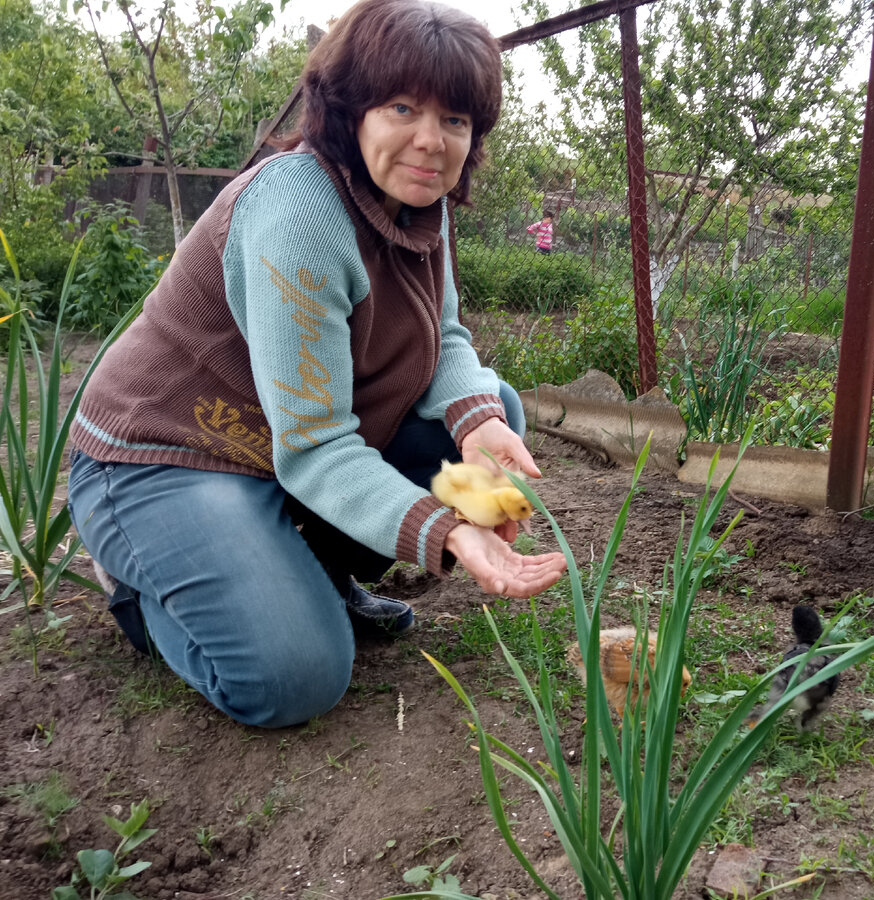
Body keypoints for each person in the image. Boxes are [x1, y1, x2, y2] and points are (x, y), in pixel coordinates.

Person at [66, 0, 567, 729]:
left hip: (272, 452)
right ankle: (143, 589)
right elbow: (318, 445)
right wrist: (446, 529)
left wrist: (478, 419)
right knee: (294, 678)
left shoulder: (417, 202)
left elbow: (446, 336)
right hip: (164, 458)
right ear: (351, 109)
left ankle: (316, 576)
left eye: (455, 120)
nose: (431, 141)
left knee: (491, 414)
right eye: (403, 107)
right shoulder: (299, 211)